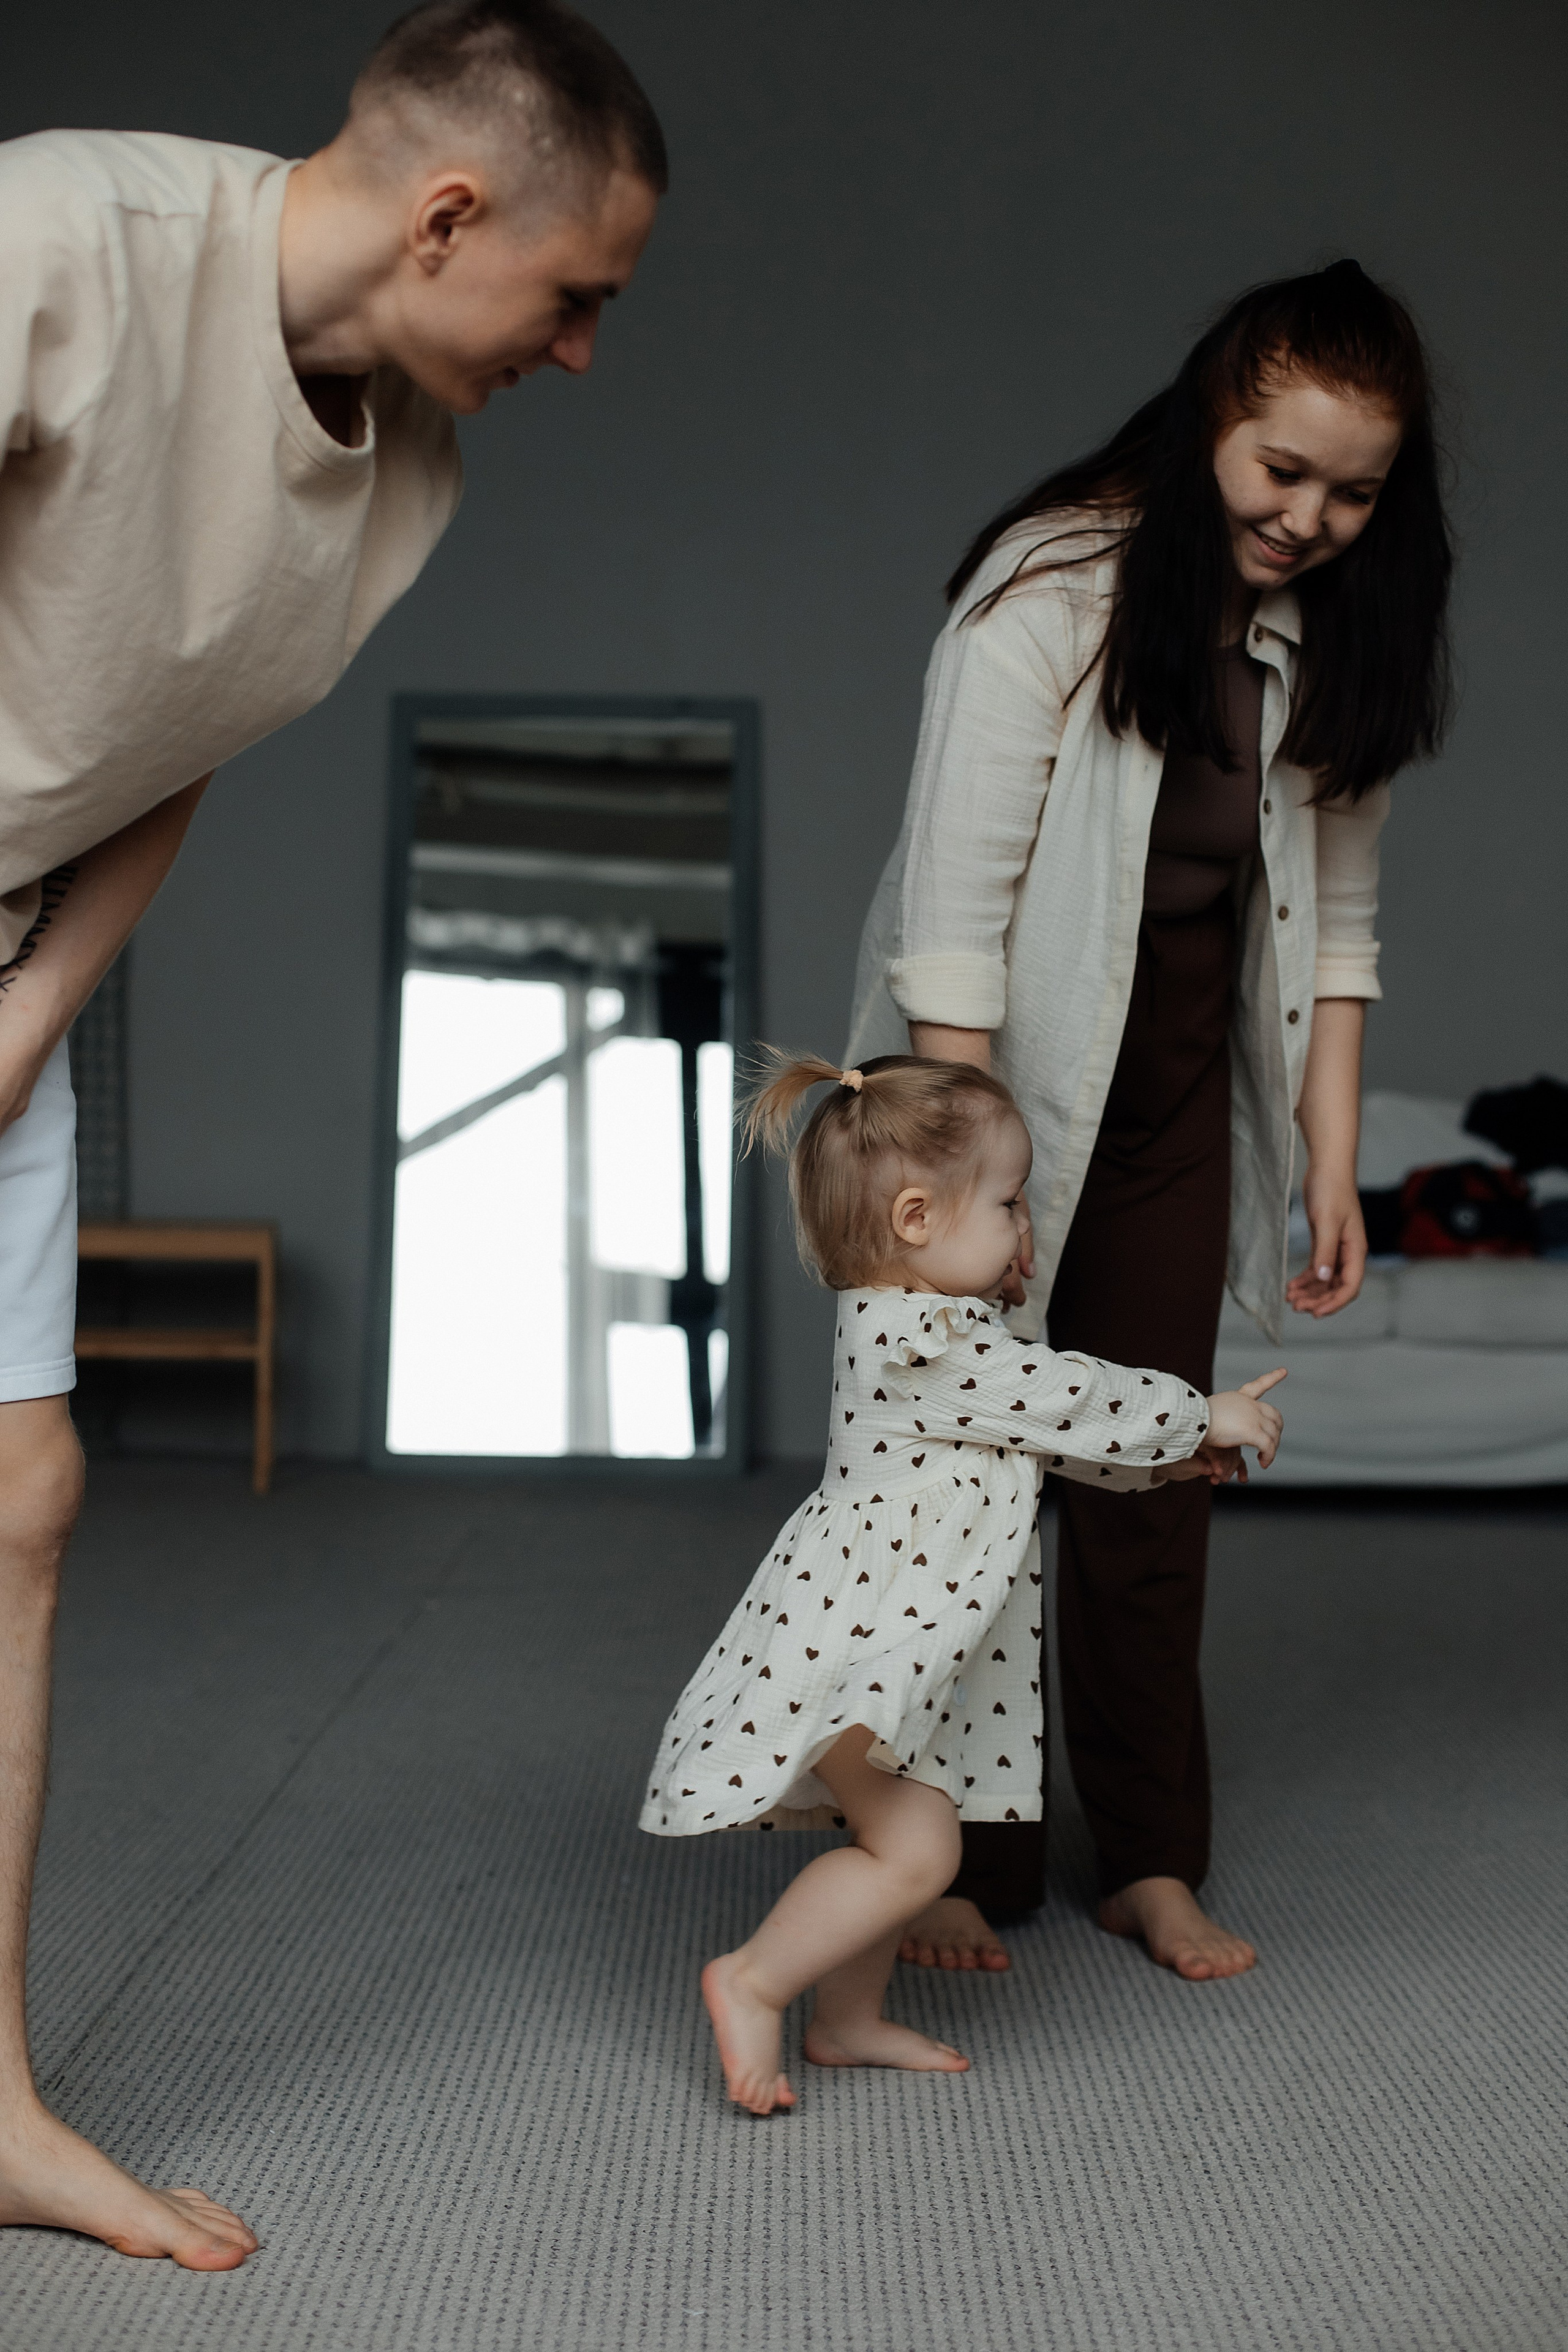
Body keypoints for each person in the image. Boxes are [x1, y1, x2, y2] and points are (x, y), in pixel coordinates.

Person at [0, 0, 665, 2269]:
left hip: (10, 948)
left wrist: (34, 1022)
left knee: (21, 1498)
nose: (584, 353)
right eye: (578, 294)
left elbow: (168, 738)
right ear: (451, 215)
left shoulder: (409, 473)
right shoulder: (60, 241)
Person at [846, 260, 1453, 1984]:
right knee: (963, 1484)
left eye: (1352, 492)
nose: (1309, 518)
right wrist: (968, 1179)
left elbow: (1337, 936)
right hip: (993, 1101)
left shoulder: (1335, 637)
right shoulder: (1044, 593)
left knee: (1149, 1473)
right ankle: (952, 1856)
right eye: (1282, 469)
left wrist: (1330, 1160)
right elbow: (950, 928)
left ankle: (1147, 1858)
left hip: (1175, 1108)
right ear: (1208, 424)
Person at [641, 1051, 1284, 2116]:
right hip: (864, 1636)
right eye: (1009, 1202)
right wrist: (1194, 1412)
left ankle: (847, 2021)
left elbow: (1030, 1437)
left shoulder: (948, 1330)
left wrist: (1168, 1465)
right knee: (921, 1849)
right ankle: (754, 1979)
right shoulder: (916, 1343)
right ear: (915, 1218)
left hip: (916, 1634)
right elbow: (1063, 1395)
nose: (1027, 1228)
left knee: (904, 1830)